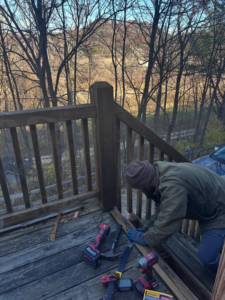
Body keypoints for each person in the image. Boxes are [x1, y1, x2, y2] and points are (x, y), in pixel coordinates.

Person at [125, 160, 225, 273]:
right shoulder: (158, 172)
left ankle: (221, 281)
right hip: (214, 203)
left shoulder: (172, 184)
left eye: (137, 188)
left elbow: (170, 218)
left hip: (220, 211)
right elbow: (163, 209)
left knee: (207, 257)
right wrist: (146, 229)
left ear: (144, 186)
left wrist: (147, 238)